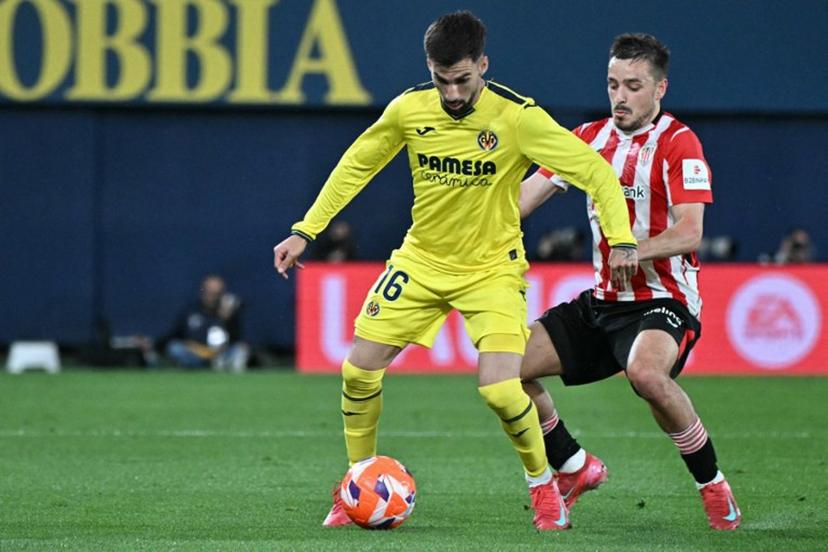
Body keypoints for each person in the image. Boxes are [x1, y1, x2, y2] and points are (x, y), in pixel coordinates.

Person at [274, 11, 638, 531]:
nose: (451, 93)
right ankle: (356, 484)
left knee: (499, 388)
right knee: (357, 371)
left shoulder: (517, 118)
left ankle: (545, 489)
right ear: (430, 68)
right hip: (421, 261)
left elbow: (596, 171)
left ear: (483, 65)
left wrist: (622, 240)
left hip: (492, 270)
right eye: (442, 80)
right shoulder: (409, 110)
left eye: (462, 80)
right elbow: (358, 163)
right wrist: (305, 229)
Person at [518, 33, 741, 530]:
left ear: (659, 89)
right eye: (613, 84)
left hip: (664, 299)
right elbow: (522, 199)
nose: (620, 96)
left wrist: (631, 249)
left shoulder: (680, 143)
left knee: (645, 374)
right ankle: (574, 467)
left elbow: (690, 231)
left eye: (633, 86)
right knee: (506, 371)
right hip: (602, 302)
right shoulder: (585, 139)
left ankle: (712, 485)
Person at [161, 274, 249, 372]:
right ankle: (207, 365)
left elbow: (234, 338)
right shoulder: (191, 311)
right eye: (208, 292)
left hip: (220, 353)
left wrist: (225, 319)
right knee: (175, 348)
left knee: (239, 349)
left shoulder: (228, 312)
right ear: (202, 291)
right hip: (198, 352)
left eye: (216, 293)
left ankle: (225, 364)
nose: (211, 296)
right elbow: (178, 334)